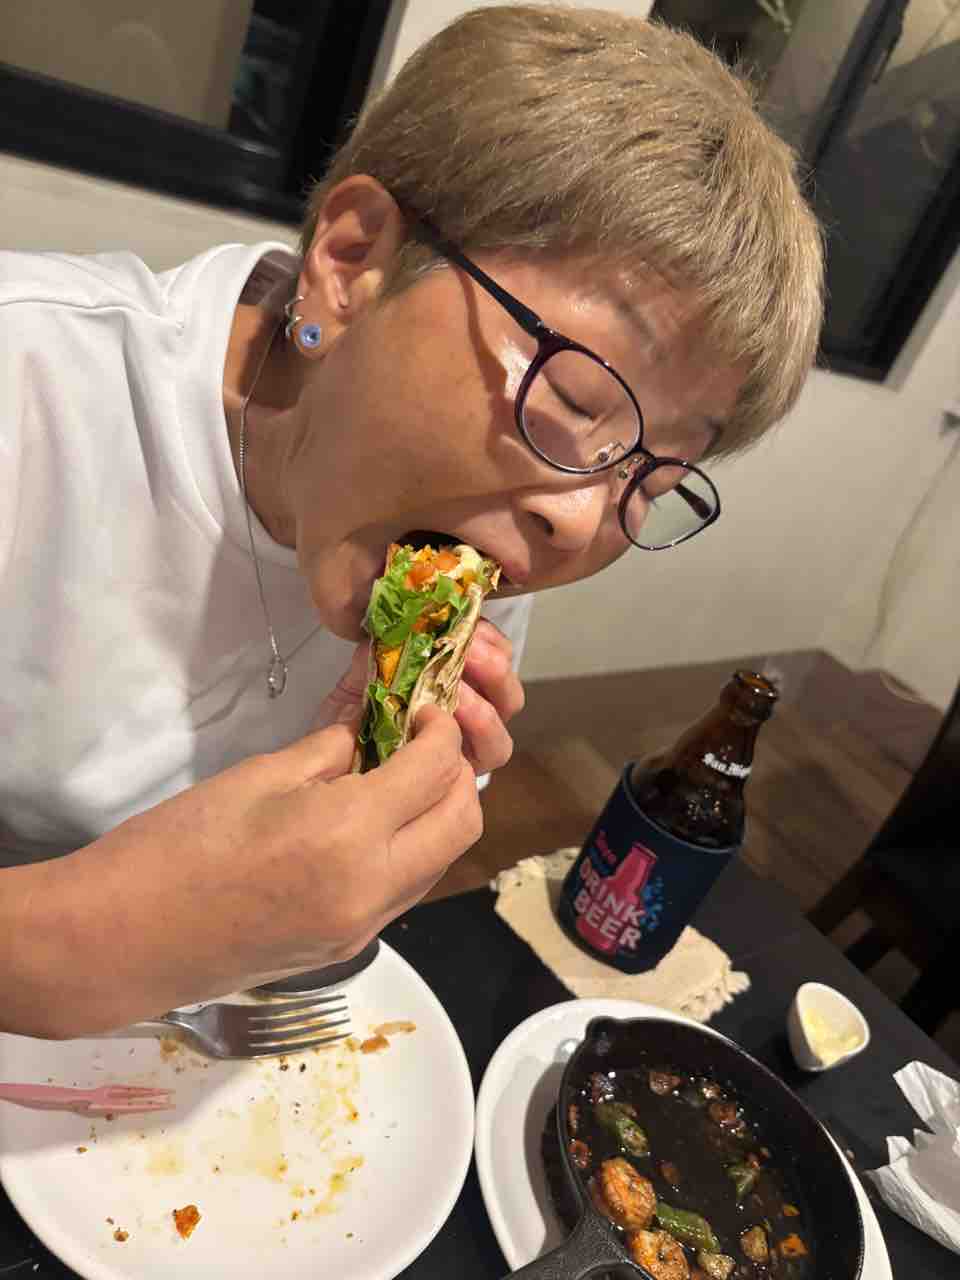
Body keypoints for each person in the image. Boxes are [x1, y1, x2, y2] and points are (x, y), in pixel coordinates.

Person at [0, 4, 823, 1038]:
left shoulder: (481, 531)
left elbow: (296, 936)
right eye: (574, 398)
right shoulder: (27, 384)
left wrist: (368, 826)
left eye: (653, 480)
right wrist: (95, 941)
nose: (580, 524)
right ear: (352, 263)